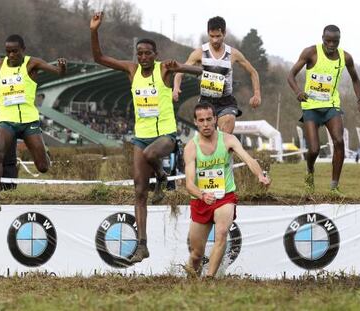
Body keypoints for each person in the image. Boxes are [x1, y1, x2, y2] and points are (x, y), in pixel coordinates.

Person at [90, 12, 202, 263]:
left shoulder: (164, 69)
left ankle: (162, 175)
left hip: (165, 135)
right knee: (139, 191)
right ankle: (142, 245)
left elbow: (200, 70)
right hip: (140, 136)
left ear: (156, 54)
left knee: (152, 154)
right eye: (139, 53)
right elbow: (99, 58)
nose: (142, 57)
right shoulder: (132, 70)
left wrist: (180, 67)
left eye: (147, 53)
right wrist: (94, 30)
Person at [0, 34, 67, 212]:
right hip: (7, 119)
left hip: (28, 121)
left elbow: (58, 72)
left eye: (15, 51)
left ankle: (45, 153)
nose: (11, 55)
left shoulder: (32, 63)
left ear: (23, 50)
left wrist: (62, 67)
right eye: (8, 51)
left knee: (42, 168)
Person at [184, 103, 270, 277]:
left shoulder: (228, 140)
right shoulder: (191, 148)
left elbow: (248, 159)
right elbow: (189, 184)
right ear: (196, 122)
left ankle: (209, 279)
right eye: (201, 120)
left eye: (209, 119)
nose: (206, 124)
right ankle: (191, 284)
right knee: (196, 254)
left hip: (224, 196)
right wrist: (202, 194)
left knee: (222, 233)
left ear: (215, 119)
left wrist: (260, 175)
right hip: (201, 200)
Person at [287, 25, 360, 195]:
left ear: (340, 40)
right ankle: (310, 172)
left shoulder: (345, 57)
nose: (331, 44)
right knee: (314, 149)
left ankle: (334, 186)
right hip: (311, 107)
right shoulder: (311, 52)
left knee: (339, 141)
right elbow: (291, 75)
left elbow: (355, 79)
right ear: (322, 38)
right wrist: (298, 92)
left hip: (331, 105)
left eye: (335, 41)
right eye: (328, 41)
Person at [173, 16, 261, 134]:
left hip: (226, 101)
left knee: (227, 128)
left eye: (218, 36)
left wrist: (257, 94)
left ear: (224, 33)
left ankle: (225, 149)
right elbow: (181, 71)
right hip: (206, 102)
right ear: (208, 33)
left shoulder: (233, 54)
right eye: (212, 36)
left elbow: (253, 72)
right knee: (209, 138)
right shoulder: (200, 52)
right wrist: (176, 88)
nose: (215, 40)